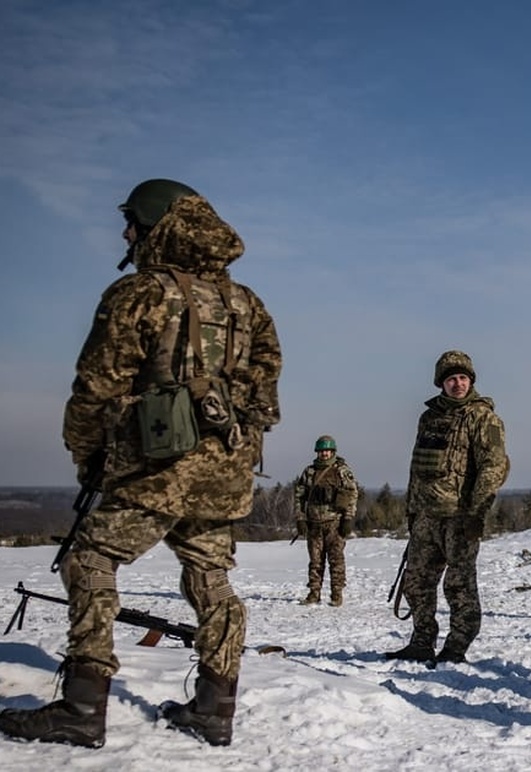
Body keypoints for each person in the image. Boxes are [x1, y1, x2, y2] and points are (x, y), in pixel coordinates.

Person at [0, 179, 281, 748]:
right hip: (225, 470)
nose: (126, 234)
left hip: (156, 469)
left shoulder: (141, 293)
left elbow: (95, 388)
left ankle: (82, 707)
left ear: (158, 227)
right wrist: (229, 448)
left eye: (133, 223)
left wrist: (89, 456)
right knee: (211, 577)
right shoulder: (247, 303)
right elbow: (265, 395)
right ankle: (216, 708)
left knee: (89, 560)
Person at [386, 350, 509, 665]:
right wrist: (412, 511)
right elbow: (417, 469)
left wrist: (477, 513)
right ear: (441, 383)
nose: (458, 384)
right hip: (426, 516)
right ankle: (421, 642)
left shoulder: (482, 417)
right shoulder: (428, 418)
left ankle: (456, 648)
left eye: (463, 378)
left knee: (459, 586)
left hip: (460, 517)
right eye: (452, 378)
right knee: (416, 582)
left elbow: (493, 467)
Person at [293, 435, 359, 606]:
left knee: (336, 561)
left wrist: (348, 518)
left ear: (332, 452)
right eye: (321, 451)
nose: (324, 454)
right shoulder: (309, 472)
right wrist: (300, 519)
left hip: (335, 523)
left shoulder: (342, 471)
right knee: (315, 561)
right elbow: (299, 496)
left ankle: (336, 594)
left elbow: (352, 495)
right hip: (314, 523)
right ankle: (314, 593)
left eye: (327, 451)